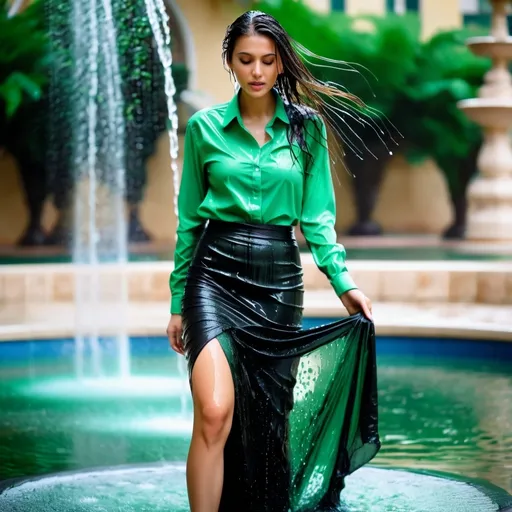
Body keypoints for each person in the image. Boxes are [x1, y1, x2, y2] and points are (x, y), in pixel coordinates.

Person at [167, 10, 380, 512]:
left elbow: (318, 220)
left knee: (269, 419)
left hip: (279, 281)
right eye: (246, 60)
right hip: (213, 275)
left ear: (282, 63)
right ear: (230, 63)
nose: (257, 71)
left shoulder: (307, 130)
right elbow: (187, 225)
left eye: (267, 60)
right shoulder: (204, 129)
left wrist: (343, 283)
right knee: (215, 411)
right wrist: (178, 302)